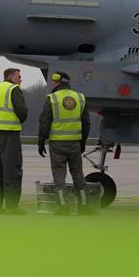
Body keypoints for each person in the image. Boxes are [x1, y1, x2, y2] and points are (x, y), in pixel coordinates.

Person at [37, 71, 92, 215]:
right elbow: (86, 123)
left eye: (54, 81)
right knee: (78, 176)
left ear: (59, 82)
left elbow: (45, 122)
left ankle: (63, 207)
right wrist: (83, 142)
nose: (52, 83)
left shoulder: (52, 98)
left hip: (57, 144)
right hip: (74, 143)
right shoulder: (80, 98)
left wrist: (41, 141)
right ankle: (84, 207)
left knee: (59, 177)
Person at [0, 68, 28, 215]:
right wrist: (21, 119)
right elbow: (22, 111)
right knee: (12, 169)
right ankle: (12, 206)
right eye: (19, 76)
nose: (21, 79)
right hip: (9, 133)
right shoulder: (13, 89)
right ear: (10, 77)